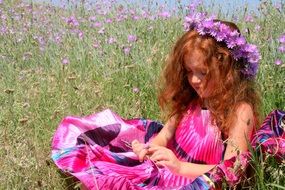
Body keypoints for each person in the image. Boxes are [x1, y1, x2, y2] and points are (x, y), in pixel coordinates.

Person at [51, 12, 284, 189]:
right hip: (169, 169)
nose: (194, 79)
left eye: (203, 73)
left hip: (200, 181)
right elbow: (165, 135)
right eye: (189, 71)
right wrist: (150, 148)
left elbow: (234, 171)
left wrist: (179, 166)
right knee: (109, 170)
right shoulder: (191, 102)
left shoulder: (240, 111)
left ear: (228, 71)